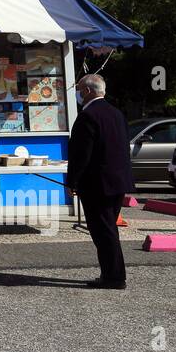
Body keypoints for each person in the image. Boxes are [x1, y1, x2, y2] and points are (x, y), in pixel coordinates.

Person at [67, 73, 134, 288]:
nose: (77, 93)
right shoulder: (116, 114)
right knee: (108, 228)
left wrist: (72, 181)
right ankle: (112, 274)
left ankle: (114, 276)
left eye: (79, 89)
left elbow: (81, 154)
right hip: (117, 181)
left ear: (87, 91)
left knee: (102, 231)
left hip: (97, 184)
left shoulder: (88, 116)